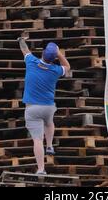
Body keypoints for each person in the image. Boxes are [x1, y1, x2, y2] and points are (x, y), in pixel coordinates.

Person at [18, 33, 70, 175]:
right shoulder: (56, 70)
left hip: (32, 108)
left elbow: (24, 49)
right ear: (54, 59)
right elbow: (67, 66)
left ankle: (41, 169)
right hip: (48, 107)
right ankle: (50, 146)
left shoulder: (31, 62)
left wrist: (21, 39)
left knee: (37, 139)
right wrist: (59, 54)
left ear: (42, 53)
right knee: (49, 122)